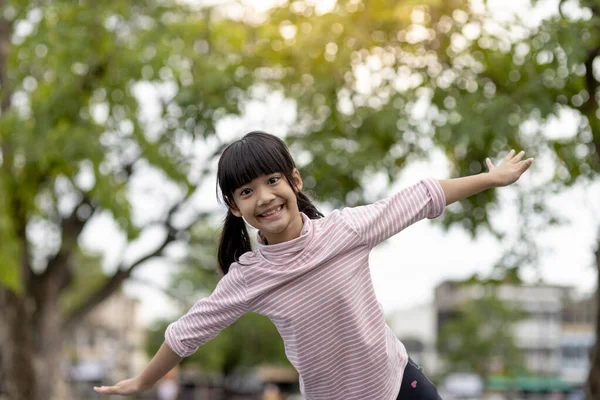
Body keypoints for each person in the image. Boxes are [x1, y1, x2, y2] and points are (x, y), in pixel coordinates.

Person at [94, 131, 534, 399]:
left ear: (294, 181)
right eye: (246, 192)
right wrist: (143, 381)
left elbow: (419, 198)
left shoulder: (344, 231)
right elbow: (187, 331)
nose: (264, 197)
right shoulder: (248, 277)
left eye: (272, 181)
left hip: (400, 387)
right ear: (233, 207)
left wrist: (492, 178)